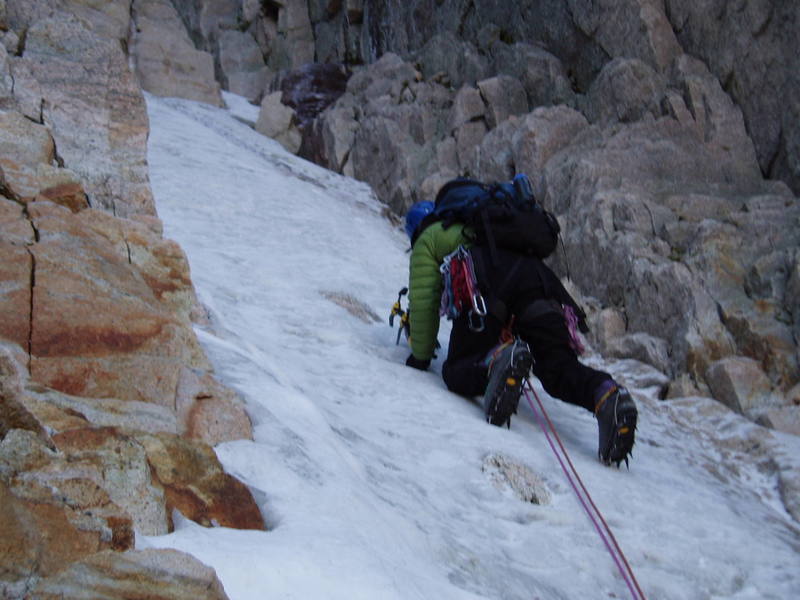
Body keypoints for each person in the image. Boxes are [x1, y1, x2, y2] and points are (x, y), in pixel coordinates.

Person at [402, 193, 637, 467]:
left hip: (490, 283)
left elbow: (423, 302)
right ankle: (606, 392)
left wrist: (419, 356)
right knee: (557, 369)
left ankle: (496, 360)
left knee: (457, 369)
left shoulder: (430, 237)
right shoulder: (500, 227)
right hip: (541, 284)